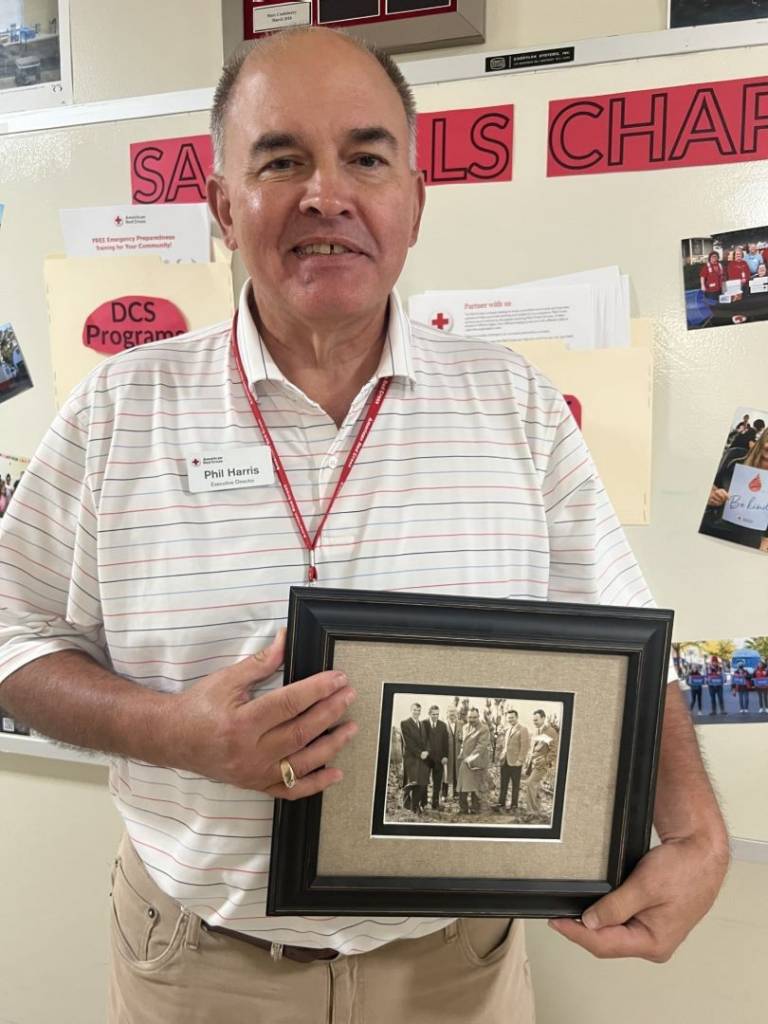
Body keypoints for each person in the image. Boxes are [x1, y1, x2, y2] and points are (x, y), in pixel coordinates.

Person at [0, 25, 728, 1023]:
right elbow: (10, 638)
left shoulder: (513, 403)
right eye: (282, 159)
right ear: (222, 206)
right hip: (201, 965)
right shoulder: (120, 409)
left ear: (414, 204)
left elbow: (629, 644)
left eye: (367, 157)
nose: (326, 194)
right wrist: (173, 732)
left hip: (455, 968)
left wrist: (694, 830)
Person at [701, 426, 768, 551]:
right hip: (713, 530)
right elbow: (705, 485)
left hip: (750, 543)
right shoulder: (734, 457)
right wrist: (712, 495)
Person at [456, 707, 491, 814]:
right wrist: (462, 753)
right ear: (467, 717)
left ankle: (475, 808)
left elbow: (481, 746)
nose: (472, 719)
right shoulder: (465, 727)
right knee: (462, 785)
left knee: (476, 786)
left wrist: (471, 758)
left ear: (478, 716)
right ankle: (463, 808)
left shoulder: (484, 729)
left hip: (477, 761)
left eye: (474, 717)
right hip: (465, 760)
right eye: (470, 717)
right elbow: (463, 742)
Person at [494, 709, 530, 813]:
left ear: (517, 717)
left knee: (515, 785)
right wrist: (501, 756)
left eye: (512, 717)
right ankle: (501, 803)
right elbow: (506, 746)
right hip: (505, 761)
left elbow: (525, 746)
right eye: (509, 718)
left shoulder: (523, 729)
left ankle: (514, 805)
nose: (510, 719)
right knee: (503, 783)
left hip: (515, 762)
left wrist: (521, 760)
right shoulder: (508, 729)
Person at [400, 702, 429, 812]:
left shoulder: (421, 724)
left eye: (419, 710)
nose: (417, 712)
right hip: (411, 758)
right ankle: (407, 804)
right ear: (411, 710)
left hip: (422, 758)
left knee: (420, 782)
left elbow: (425, 741)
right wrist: (419, 753)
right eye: (415, 710)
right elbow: (408, 742)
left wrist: (426, 751)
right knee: (411, 781)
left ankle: (415, 806)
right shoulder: (405, 723)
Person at [423, 704, 449, 810]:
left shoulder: (442, 725)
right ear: (429, 714)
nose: (435, 716)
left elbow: (445, 743)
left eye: (437, 714)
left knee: (437, 782)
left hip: (439, 759)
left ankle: (435, 803)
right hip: (426, 759)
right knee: (424, 781)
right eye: (433, 714)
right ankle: (423, 802)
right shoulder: (423, 724)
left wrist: (445, 756)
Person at [523, 733, 553, 817]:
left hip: (541, 766)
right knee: (536, 786)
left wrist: (546, 760)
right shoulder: (538, 738)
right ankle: (537, 808)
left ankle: (532, 811)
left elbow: (550, 753)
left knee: (530, 783)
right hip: (534, 765)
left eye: (536, 720)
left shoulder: (547, 739)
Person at [442, 705, 462, 800]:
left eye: (453, 712)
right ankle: (444, 794)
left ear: (456, 713)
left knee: (456, 773)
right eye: (450, 712)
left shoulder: (461, 724)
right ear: (447, 714)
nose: (452, 714)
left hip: (458, 755)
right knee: (445, 774)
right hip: (447, 754)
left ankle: (456, 794)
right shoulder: (443, 725)